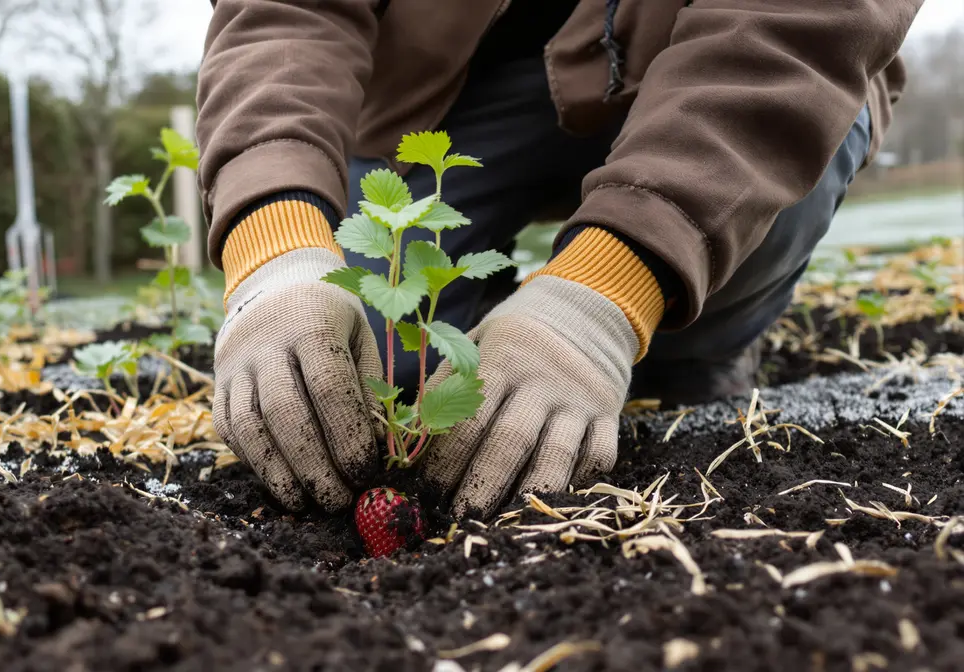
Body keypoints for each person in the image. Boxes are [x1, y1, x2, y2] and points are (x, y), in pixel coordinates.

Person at [197, 0, 922, 521]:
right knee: (368, 362)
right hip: (448, 98)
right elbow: (282, 14)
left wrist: (604, 297)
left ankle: (691, 349)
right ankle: (490, 343)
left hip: (715, 60)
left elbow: (801, 24)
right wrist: (275, 242)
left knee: (777, 188)